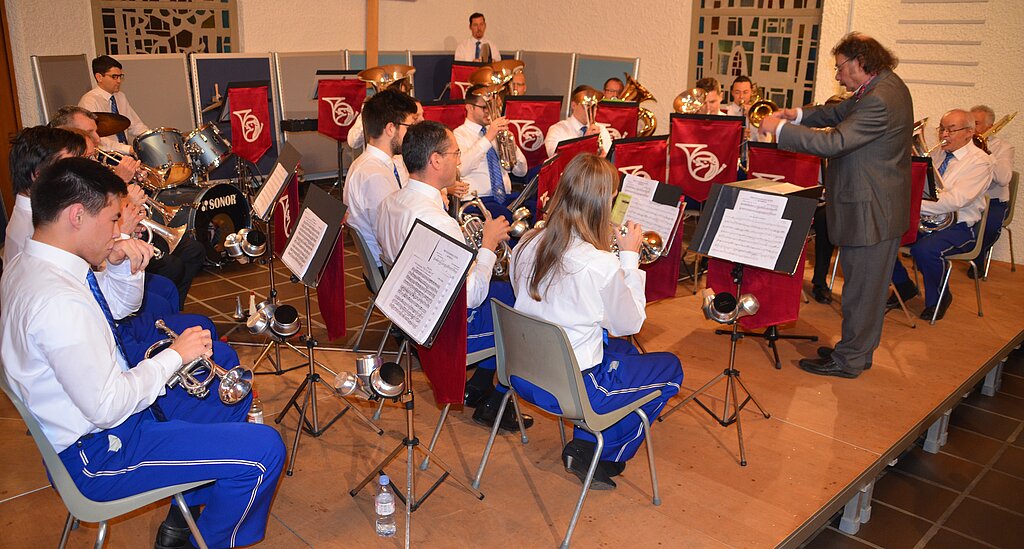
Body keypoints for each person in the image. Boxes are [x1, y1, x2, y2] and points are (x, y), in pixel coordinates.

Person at [0, 157, 285, 549]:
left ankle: (184, 516)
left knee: (228, 400)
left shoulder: (33, 264)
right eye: (113, 219)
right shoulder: (58, 301)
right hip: (99, 455)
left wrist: (118, 268)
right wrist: (173, 357)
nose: (119, 230)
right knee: (264, 451)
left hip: (100, 426)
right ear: (77, 216)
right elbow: (108, 406)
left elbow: (112, 313)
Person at [509, 153, 683, 489]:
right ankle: (604, 454)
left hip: (524, 372)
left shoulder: (529, 241)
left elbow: (537, 298)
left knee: (626, 356)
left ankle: (585, 442)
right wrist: (629, 260)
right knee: (670, 368)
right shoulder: (599, 264)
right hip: (574, 389)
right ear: (602, 203)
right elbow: (628, 324)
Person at [758, 32, 914, 379]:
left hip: (870, 209)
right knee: (867, 289)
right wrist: (796, 114)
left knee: (861, 292)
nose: (838, 75)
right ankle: (857, 352)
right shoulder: (879, 87)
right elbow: (837, 111)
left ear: (860, 63)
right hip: (876, 204)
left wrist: (780, 129)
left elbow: (837, 142)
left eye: (841, 67)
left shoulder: (880, 99)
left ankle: (849, 361)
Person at [376, 121, 532, 431]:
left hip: (408, 307)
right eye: (455, 153)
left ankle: (479, 385)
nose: (459, 161)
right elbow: (472, 297)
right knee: (524, 310)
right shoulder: (435, 219)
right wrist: (486, 246)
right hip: (443, 327)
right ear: (435, 160)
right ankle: (496, 402)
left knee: (505, 295)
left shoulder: (390, 201)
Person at [50, 105, 206, 310]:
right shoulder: (70, 175)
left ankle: (173, 311)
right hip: (110, 249)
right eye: (89, 133)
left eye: (95, 131)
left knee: (193, 250)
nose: (97, 138)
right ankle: (160, 314)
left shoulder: (93, 160)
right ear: (66, 134)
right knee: (172, 267)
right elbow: (99, 223)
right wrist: (121, 186)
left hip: (124, 235)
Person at [889, 109, 993, 321]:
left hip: (961, 226)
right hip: (927, 221)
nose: (944, 135)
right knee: (881, 239)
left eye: (951, 130)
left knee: (925, 251)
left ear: (969, 132)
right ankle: (903, 285)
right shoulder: (936, 155)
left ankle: (939, 298)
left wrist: (912, 205)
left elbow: (955, 201)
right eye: (942, 129)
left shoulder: (981, 162)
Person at [343, 89, 418, 268]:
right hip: (387, 267)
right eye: (409, 127)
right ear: (391, 128)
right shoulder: (374, 175)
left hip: (386, 259)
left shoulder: (372, 164)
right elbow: (390, 236)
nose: (412, 134)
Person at [455, 84, 528, 222]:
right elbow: (461, 169)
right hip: (477, 201)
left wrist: (511, 144)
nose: (489, 112)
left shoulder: (496, 132)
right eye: (484, 107)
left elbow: (521, 172)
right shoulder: (459, 134)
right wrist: (488, 137)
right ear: (469, 107)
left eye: (492, 106)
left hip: (506, 198)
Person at [969, 104, 1016, 276]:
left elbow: (1004, 179)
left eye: (976, 124)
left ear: (991, 128)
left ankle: (978, 257)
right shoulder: (963, 145)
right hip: (969, 197)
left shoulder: (1004, 148)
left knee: (988, 228)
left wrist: (986, 153)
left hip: (993, 199)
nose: (971, 128)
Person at [78, 55, 149, 154]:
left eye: (120, 76)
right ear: (99, 77)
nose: (119, 81)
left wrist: (151, 139)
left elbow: (135, 125)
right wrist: (128, 149)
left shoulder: (120, 96)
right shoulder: (89, 101)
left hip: (124, 152)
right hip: (106, 154)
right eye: (114, 77)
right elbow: (96, 139)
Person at [544, 85, 612, 158]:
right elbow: (556, 160)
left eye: (594, 106)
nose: (591, 110)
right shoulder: (557, 130)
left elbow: (609, 160)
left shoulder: (602, 130)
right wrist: (585, 142)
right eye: (586, 105)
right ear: (574, 105)